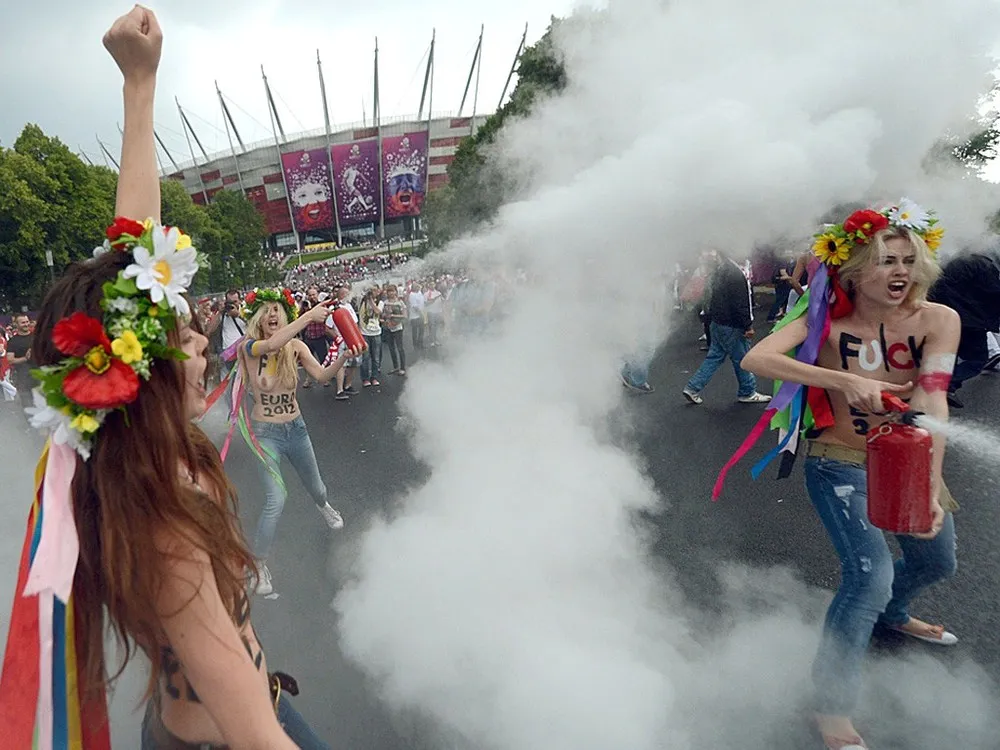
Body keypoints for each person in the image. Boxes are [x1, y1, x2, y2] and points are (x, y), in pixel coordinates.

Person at [0, 7, 327, 748]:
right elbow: (249, 722)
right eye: (183, 335)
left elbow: (133, 246)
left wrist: (140, 85)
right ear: (139, 378)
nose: (202, 339)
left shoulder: (124, 455)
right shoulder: (164, 526)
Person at [730, 200, 958, 750]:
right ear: (854, 268)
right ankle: (831, 705)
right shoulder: (824, 320)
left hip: (910, 459)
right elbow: (756, 359)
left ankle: (894, 614)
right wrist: (840, 381)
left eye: (908, 259)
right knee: (868, 577)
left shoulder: (938, 319)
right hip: (841, 462)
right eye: (885, 261)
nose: (900, 271)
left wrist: (928, 485)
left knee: (937, 559)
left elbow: (933, 399)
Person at [239, 288, 360, 596]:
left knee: (317, 489)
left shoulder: (296, 347)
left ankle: (324, 506)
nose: (272, 314)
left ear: (285, 316)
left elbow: (321, 376)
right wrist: (308, 316)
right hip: (265, 435)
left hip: (297, 429)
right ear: (257, 318)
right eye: (266, 310)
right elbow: (271, 344)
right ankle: (258, 565)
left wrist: (345, 355)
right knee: (275, 500)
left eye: (277, 309)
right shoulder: (250, 347)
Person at [682, 251, 772, 405]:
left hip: (718, 323)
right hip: (732, 325)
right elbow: (740, 304)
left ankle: (692, 387)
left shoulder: (720, 270)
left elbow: (710, 297)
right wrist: (747, 326)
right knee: (743, 359)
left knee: (714, 357)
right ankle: (747, 391)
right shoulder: (735, 274)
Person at [6, 313, 35, 412]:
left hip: (40, 376)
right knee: (28, 407)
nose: (26, 324)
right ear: (16, 324)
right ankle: (31, 427)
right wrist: (25, 358)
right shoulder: (13, 341)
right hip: (24, 379)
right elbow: (10, 359)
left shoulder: (36, 337)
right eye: (23, 322)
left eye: (27, 322)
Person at [358, 287, 383, 387]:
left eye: (375, 290)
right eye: (371, 290)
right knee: (365, 357)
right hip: (364, 333)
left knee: (376, 358)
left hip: (376, 333)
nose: (373, 292)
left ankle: (374, 377)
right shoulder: (362, 301)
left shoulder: (380, 302)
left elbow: (377, 311)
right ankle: (365, 378)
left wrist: (371, 300)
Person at [382, 284, 407, 375]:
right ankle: (396, 366)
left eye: (392, 291)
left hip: (398, 328)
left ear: (396, 292)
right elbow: (383, 315)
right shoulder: (385, 303)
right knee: (391, 348)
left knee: (400, 348)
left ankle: (403, 367)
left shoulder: (400, 302)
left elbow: (404, 315)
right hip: (388, 327)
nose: (391, 293)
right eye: (389, 291)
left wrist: (392, 316)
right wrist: (385, 319)